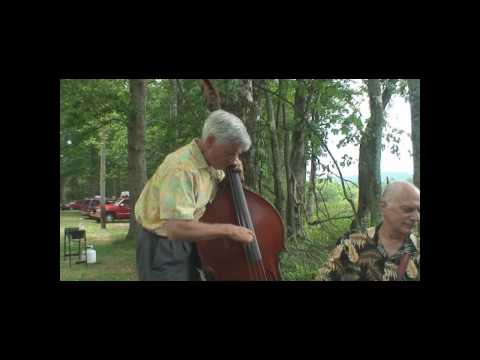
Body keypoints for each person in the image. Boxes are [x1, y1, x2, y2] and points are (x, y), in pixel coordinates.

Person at [135, 110, 254, 281]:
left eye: (237, 154)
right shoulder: (181, 170)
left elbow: (222, 196)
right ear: (211, 141)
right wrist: (229, 230)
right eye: (230, 153)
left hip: (190, 240)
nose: (234, 160)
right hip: (163, 244)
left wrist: (237, 177)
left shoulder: (212, 163)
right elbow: (176, 229)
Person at [315, 181, 420, 281]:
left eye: (419, 210)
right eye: (407, 209)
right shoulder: (351, 243)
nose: (416, 217)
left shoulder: (417, 248)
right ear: (383, 207)